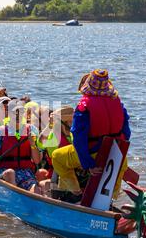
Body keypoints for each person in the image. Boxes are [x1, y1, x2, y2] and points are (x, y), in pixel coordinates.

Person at [51, 69, 131, 203]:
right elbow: (126, 133)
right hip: (115, 152)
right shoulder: (118, 103)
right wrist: (117, 150)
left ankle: (75, 193)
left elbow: (78, 138)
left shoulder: (84, 107)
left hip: (94, 152)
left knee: (57, 157)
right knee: (121, 165)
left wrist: (88, 164)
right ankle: (111, 199)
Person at [0, 105, 41, 192]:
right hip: (5, 169)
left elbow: (37, 161)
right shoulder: (1, 132)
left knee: (36, 190)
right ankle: (15, 198)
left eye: (20, 114)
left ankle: (31, 201)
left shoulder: (31, 131)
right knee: (10, 173)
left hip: (25, 171)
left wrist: (32, 144)